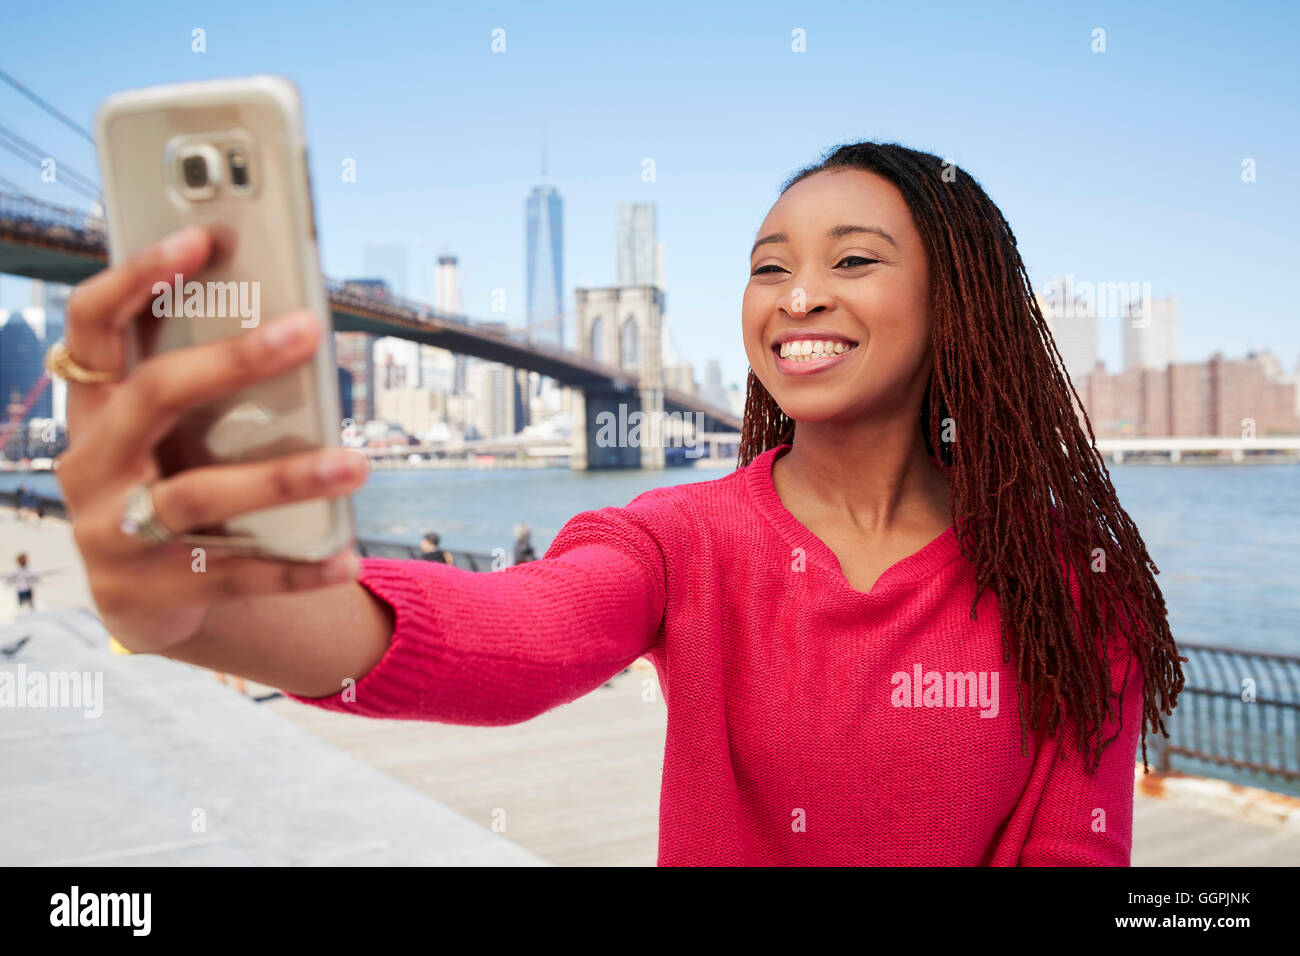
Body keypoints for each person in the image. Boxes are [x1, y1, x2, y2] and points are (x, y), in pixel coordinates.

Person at [49, 140, 1184, 866]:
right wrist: (195, 609)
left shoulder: (1067, 585)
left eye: (853, 260)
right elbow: (508, 638)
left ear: (957, 305)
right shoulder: (677, 540)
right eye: (766, 262)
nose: (796, 294)